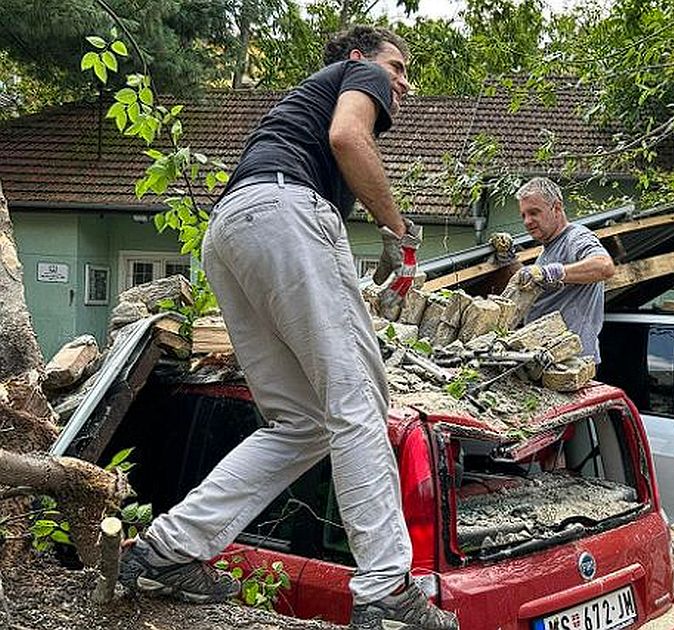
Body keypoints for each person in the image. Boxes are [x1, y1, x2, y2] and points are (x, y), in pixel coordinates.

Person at [118, 25, 459, 630]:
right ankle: (385, 588)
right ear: (360, 59)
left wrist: (368, 241)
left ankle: (169, 551)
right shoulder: (362, 78)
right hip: (280, 211)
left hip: (232, 231)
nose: (402, 83)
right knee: (358, 399)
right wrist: (402, 233)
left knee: (303, 421)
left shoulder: (297, 114)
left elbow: (326, 160)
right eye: (398, 66)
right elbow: (350, 137)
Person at [513, 177, 615, 363]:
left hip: (572, 362)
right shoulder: (547, 248)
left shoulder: (576, 238)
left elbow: (605, 266)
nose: (527, 221)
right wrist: (508, 261)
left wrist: (556, 272)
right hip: (547, 359)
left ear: (557, 208)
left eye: (534, 212)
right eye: (523, 215)